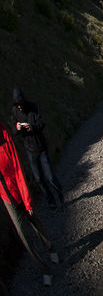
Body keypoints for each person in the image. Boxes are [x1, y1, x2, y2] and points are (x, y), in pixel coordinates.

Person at [0, 120, 57, 287]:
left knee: (34, 220)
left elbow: (17, 168)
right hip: (5, 196)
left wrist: (27, 201)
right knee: (23, 234)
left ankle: (51, 247)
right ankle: (44, 269)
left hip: (18, 189)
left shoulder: (4, 135)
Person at [10, 87, 64, 210]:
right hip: (29, 149)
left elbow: (41, 124)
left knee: (50, 176)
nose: (20, 107)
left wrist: (32, 127)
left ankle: (59, 192)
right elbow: (14, 130)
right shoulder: (14, 111)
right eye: (18, 105)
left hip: (41, 146)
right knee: (39, 179)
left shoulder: (33, 107)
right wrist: (17, 128)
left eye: (21, 104)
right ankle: (51, 201)